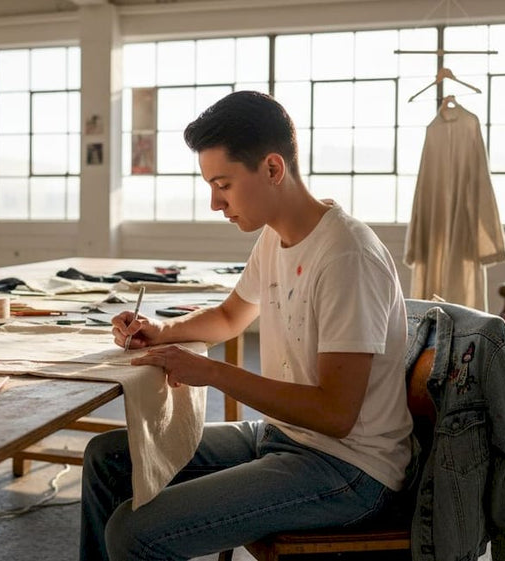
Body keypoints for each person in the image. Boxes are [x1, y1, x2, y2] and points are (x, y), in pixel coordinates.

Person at [79, 91, 413, 561]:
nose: (215, 202)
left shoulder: (346, 255)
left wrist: (212, 372)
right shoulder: (276, 238)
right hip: (287, 436)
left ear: (273, 169)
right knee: (107, 458)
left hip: (349, 467)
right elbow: (230, 316)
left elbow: (336, 414)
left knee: (134, 533)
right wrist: (162, 330)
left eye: (223, 184)